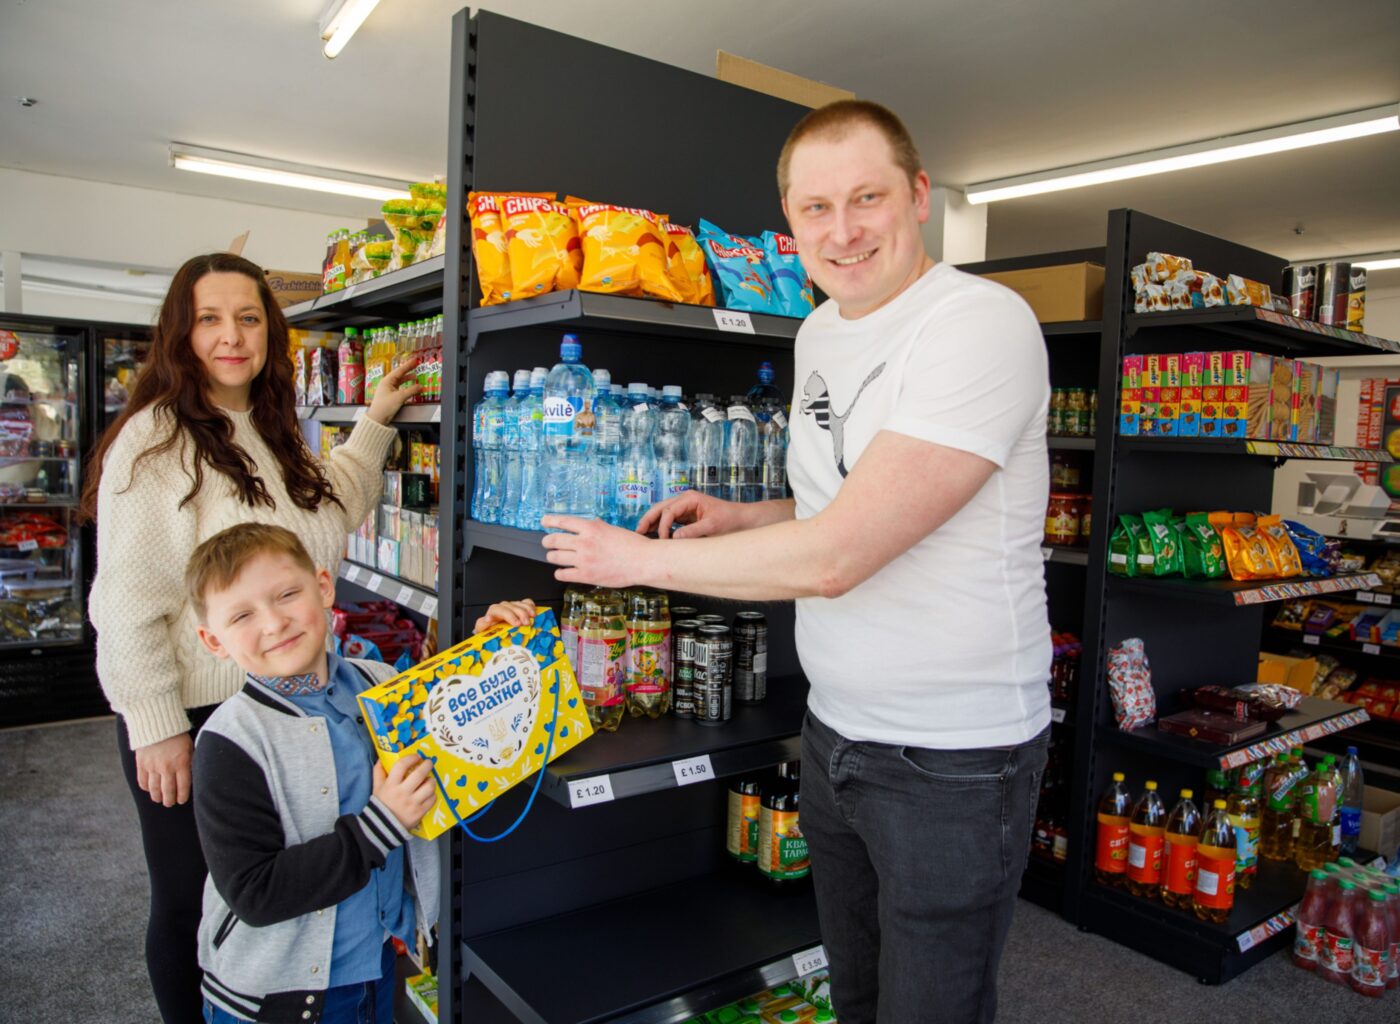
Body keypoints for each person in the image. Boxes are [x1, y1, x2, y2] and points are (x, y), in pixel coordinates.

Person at [541, 100, 1052, 1023]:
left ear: (920, 196)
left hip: (954, 759)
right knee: (854, 992)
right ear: (790, 223)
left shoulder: (980, 326)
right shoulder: (821, 331)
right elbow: (843, 501)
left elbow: (838, 555)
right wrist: (743, 515)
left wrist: (634, 563)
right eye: (816, 208)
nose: (844, 230)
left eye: (868, 198)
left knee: (932, 1006)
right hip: (834, 733)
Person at [81, 252, 419, 1024]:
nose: (231, 335)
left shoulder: (268, 431)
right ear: (180, 332)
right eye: (209, 318)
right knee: (193, 903)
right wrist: (156, 724)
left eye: (249, 317)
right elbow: (127, 601)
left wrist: (372, 423)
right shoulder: (156, 440)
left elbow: (323, 519)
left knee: (281, 897)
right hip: (199, 721)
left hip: (283, 708)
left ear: (271, 331)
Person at [185, 523, 539, 1023]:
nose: (274, 623)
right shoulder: (230, 742)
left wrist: (489, 654)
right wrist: (383, 821)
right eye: (242, 614)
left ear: (324, 588)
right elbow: (255, 892)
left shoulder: (385, 686)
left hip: (373, 970)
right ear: (212, 639)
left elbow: (459, 743)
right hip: (277, 1002)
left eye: (288, 594)